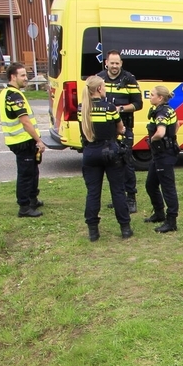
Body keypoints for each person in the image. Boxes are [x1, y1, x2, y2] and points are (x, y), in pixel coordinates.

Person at [80, 75, 132, 242]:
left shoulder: (82, 109)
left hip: (90, 152)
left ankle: (93, 232)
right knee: (117, 191)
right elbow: (120, 128)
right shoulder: (109, 108)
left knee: (93, 193)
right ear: (99, 89)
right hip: (110, 151)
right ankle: (125, 228)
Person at [0, 62, 46, 218]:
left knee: (32, 171)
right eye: (23, 75)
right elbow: (25, 122)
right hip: (22, 141)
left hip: (20, 140)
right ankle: (24, 207)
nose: (26, 78)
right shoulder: (15, 96)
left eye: (26, 75)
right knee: (26, 174)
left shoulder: (6, 92)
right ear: (13, 77)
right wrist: (39, 140)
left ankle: (33, 199)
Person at [97, 50, 142, 213]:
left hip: (124, 129)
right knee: (111, 164)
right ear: (106, 63)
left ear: (121, 64)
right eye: (112, 63)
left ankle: (131, 198)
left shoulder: (129, 79)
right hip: (106, 130)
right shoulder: (99, 78)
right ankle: (118, 197)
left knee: (127, 164)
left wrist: (119, 109)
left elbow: (138, 104)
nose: (114, 66)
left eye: (117, 63)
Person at [143, 86, 180, 233]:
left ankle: (171, 221)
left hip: (164, 154)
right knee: (150, 185)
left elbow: (160, 132)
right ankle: (159, 213)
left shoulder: (161, 113)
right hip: (161, 154)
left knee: (167, 187)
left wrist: (152, 139)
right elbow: (177, 124)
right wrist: (170, 138)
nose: (150, 97)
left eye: (152, 95)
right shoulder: (168, 109)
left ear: (160, 98)